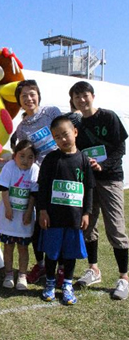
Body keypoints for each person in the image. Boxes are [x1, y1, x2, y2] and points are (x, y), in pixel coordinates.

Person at [69, 81, 129, 300]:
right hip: (89, 182)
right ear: (73, 101)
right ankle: (93, 269)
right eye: (77, 97)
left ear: (92, 96)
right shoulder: (76, 125)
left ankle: (124, 277)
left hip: (111, 179)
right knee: (88, 226)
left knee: (116, 228)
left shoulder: (109, 117)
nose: (81, 100)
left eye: (84, 95)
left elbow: (120, 148)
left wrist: (103, 166)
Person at [38, 116, 95, 305]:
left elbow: (89, 188)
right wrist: (43, 210)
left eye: (65, 134)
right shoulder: (51, 159)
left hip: (74, 218)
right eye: (57, 137)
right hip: (53, 218)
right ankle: (50, 283)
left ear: (75, 132)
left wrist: (86, 212)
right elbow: (43, 187)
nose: (62, 139)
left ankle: (67, 285)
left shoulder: (84, 160)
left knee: (70, 253)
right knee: (52, 253)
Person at [14, 79, 62, 284]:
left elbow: (69, 131)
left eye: (31, 93)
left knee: (59, 222)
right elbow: (23, 153)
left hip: (63, 172)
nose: (28, 98)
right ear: (19, 101)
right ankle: (40, 264)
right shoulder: (22, 127)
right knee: (38, 224)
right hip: (40, 178)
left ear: (38, 95)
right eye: (23, 96)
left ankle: (61, 267)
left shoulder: (52, 112)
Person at [0, 140, 39, 290]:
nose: (25, 160)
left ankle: (21, 275)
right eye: (22, 156)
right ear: (14, 156)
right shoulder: (9, 167)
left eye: (30, 157)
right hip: (9, 216)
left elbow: (33, 195)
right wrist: (8, 208)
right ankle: (8, 274)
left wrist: (28, 214)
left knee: (23, 247)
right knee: (8, 246)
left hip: (24, 218)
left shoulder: (35, 169)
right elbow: (4, 189)